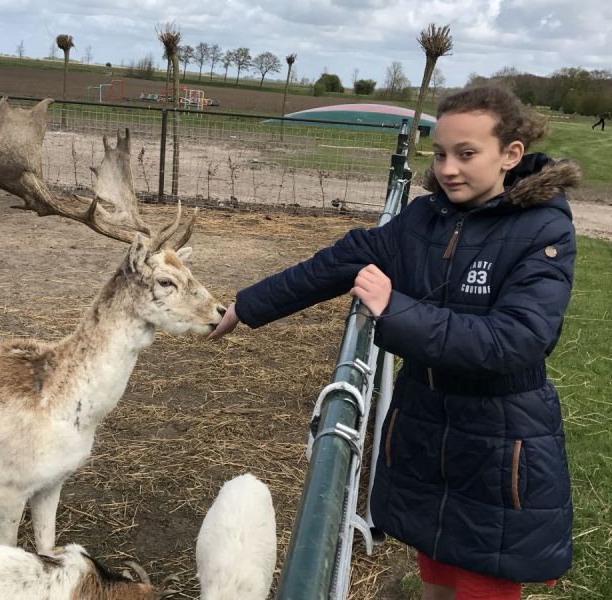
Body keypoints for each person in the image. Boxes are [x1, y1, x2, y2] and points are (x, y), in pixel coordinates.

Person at [209, 85, 581, 600]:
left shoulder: (543, 229)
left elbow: (516, 340)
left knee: (481, 581)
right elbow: (342, 260)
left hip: (498, 446)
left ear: (510, 154)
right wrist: (247, 305)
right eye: (443, 153)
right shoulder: (423, 219)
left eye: (467, 154)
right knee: (434, 573)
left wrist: (395, 309)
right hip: (426, 433)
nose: (448, 168)